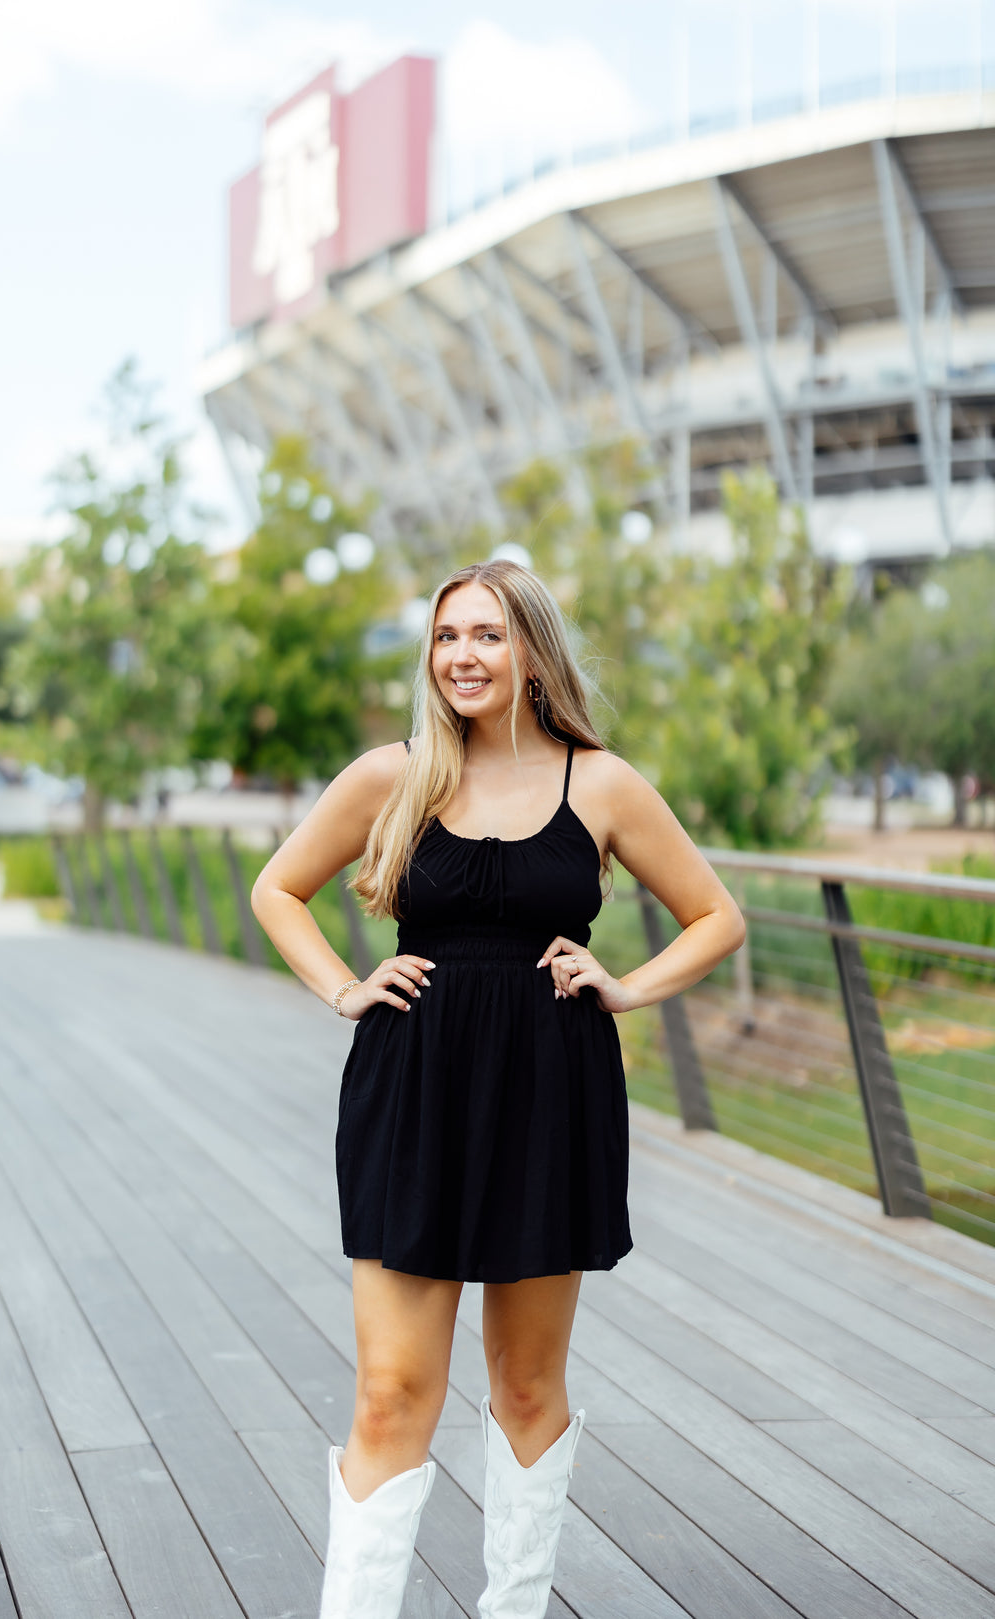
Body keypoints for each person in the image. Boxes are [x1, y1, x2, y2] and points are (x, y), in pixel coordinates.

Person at [250, 559, 745, 1619]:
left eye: (485, 635)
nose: (462, 656)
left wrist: (623, 986)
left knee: (525, 1387)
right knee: (390, 1393)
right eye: (445, 637)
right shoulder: (394, 774)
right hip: (413, 1089)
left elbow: (717, 914)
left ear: (531, 654)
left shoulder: (599, 782)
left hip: (548, 1094)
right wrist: (342, 985)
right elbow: (277, 886)